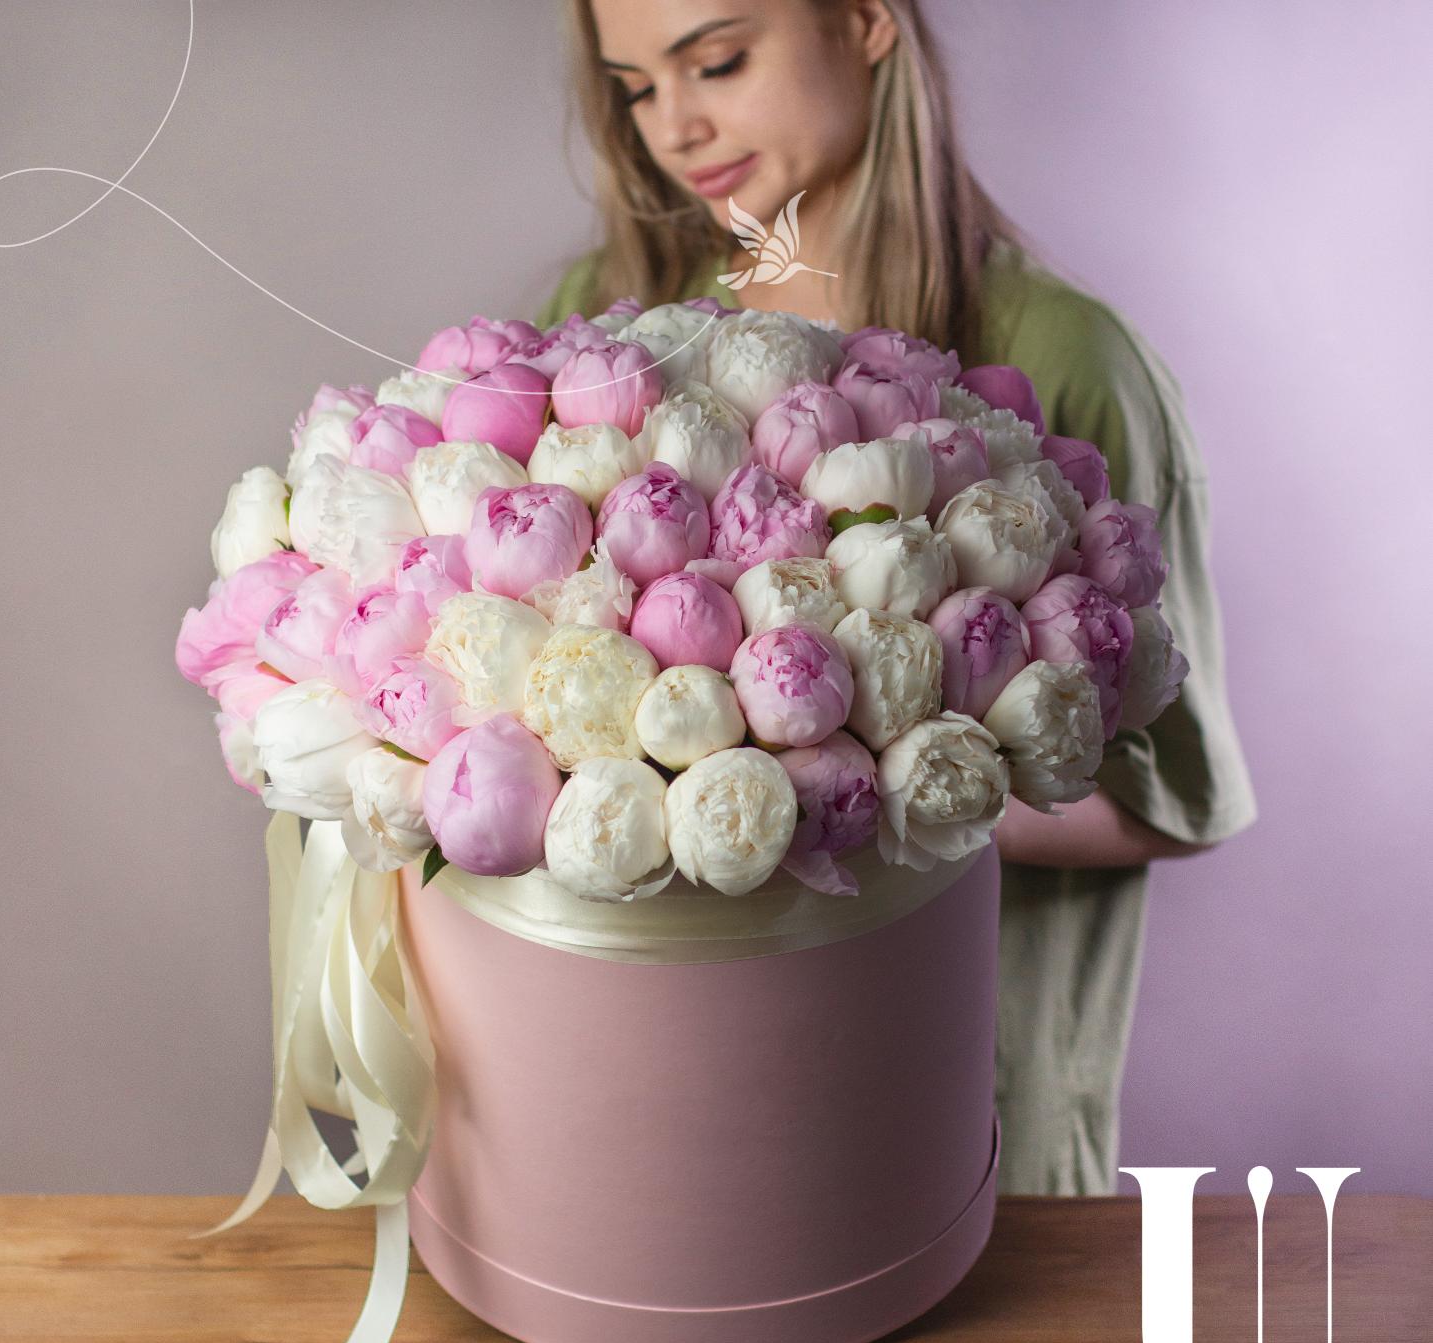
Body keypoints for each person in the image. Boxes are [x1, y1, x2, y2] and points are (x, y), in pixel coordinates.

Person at [535, 0, 1258, 1194]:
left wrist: (823, 799)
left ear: (867, 19)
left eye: (718, 61)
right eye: (636, 87)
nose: (675, 126)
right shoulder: (611, 324)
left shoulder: (1063, 359)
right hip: (670, 1133)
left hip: (966, 1124)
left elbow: (1172, 801)